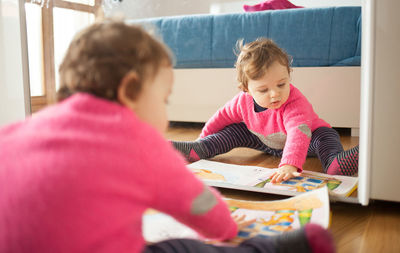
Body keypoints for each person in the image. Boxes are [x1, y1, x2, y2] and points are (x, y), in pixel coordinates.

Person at [0, 22, 335, 253]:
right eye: (164, 99)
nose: (165, 111)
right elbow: (200, 204)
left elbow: (300, 132)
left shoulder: (16, 132)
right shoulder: (143, 148)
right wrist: (226, 229)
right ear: (130, 90)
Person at [172, 38, 359, 183]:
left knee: (324, 140)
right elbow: (220, 118)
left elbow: (298, 132)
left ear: (288, 75)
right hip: (264, 139)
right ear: (246, 89)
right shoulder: (242, 102)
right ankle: (199, 149)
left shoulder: (295, 102)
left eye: (281, 84)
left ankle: (337, 163)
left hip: (310, 137)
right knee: (234, 131)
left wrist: (289, 164)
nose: (275, 94)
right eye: (263, 90)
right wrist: (203, 138)